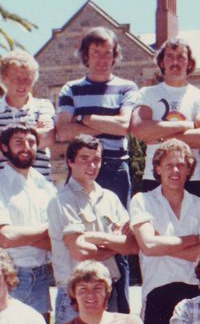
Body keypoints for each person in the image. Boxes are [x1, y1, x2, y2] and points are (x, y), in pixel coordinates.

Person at [56, 26, 139, 309]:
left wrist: (86, 117)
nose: (102, 59)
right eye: (96, 53)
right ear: (86, 56)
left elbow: (125, 126)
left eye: (108, 53)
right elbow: (64, 132)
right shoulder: (71, 89)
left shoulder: (127, 87)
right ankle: (79, 306)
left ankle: (121, 309)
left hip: (115, 169)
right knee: (78, 238)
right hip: (81, 167)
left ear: (115, 56)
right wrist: (107, 122)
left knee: (120, 242)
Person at [129, 139, 200, 324]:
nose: (175, 170)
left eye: (181, 165)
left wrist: (161, 243)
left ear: (189, 170)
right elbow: (148, 247)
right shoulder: (143, 201)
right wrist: (190, 240)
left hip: (193, 290)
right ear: (157, 168)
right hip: (157, 291)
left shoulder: (199, 204)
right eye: (169, 165)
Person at [47, 134, 134, 324]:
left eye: (96, 160)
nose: (92, 166)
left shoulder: (110, 198)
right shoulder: (63, 200)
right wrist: (114, 243)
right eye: (84, 159)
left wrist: (93, 237)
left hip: (108, 291)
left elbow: (132, 245)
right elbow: (80, 252)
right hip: (75, 294)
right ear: (70, 162)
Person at [0, 122, 57, 323]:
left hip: (41, 277)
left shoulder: (46, 188)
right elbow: (4, 238)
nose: (26, 147)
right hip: (8, 276)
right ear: (4, 147)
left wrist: (20, 236)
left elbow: (56, 242)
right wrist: (50, 227)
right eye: (19, 142)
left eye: (31, 142)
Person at [131, 37, 200, 195]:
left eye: (181, 57)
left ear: (189, 63)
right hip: (154, 177)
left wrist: (160, 138)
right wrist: (187, 125)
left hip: (190, 178)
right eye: (170, 57)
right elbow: (139, 130)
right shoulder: (147, 93)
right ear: (161, 62)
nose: (175, 62)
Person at [0, 49, 56, 180]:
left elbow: (48, 138)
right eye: (16, 79)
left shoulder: (43, 106)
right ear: (3, 78)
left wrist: (1, 138)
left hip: (38, 187)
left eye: (27, 79)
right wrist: (33, 134)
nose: (22, 84)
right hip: (1, 188)